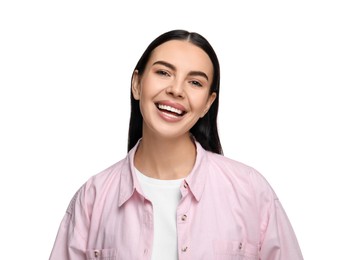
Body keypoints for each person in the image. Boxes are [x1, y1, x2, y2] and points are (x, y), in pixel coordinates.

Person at [49, 29, 304, 260]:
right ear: (137, 83)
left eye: (195, 82)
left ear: (207, 103)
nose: (176, 90)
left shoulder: (251, 191)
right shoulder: (92, 198)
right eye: (163, 72)